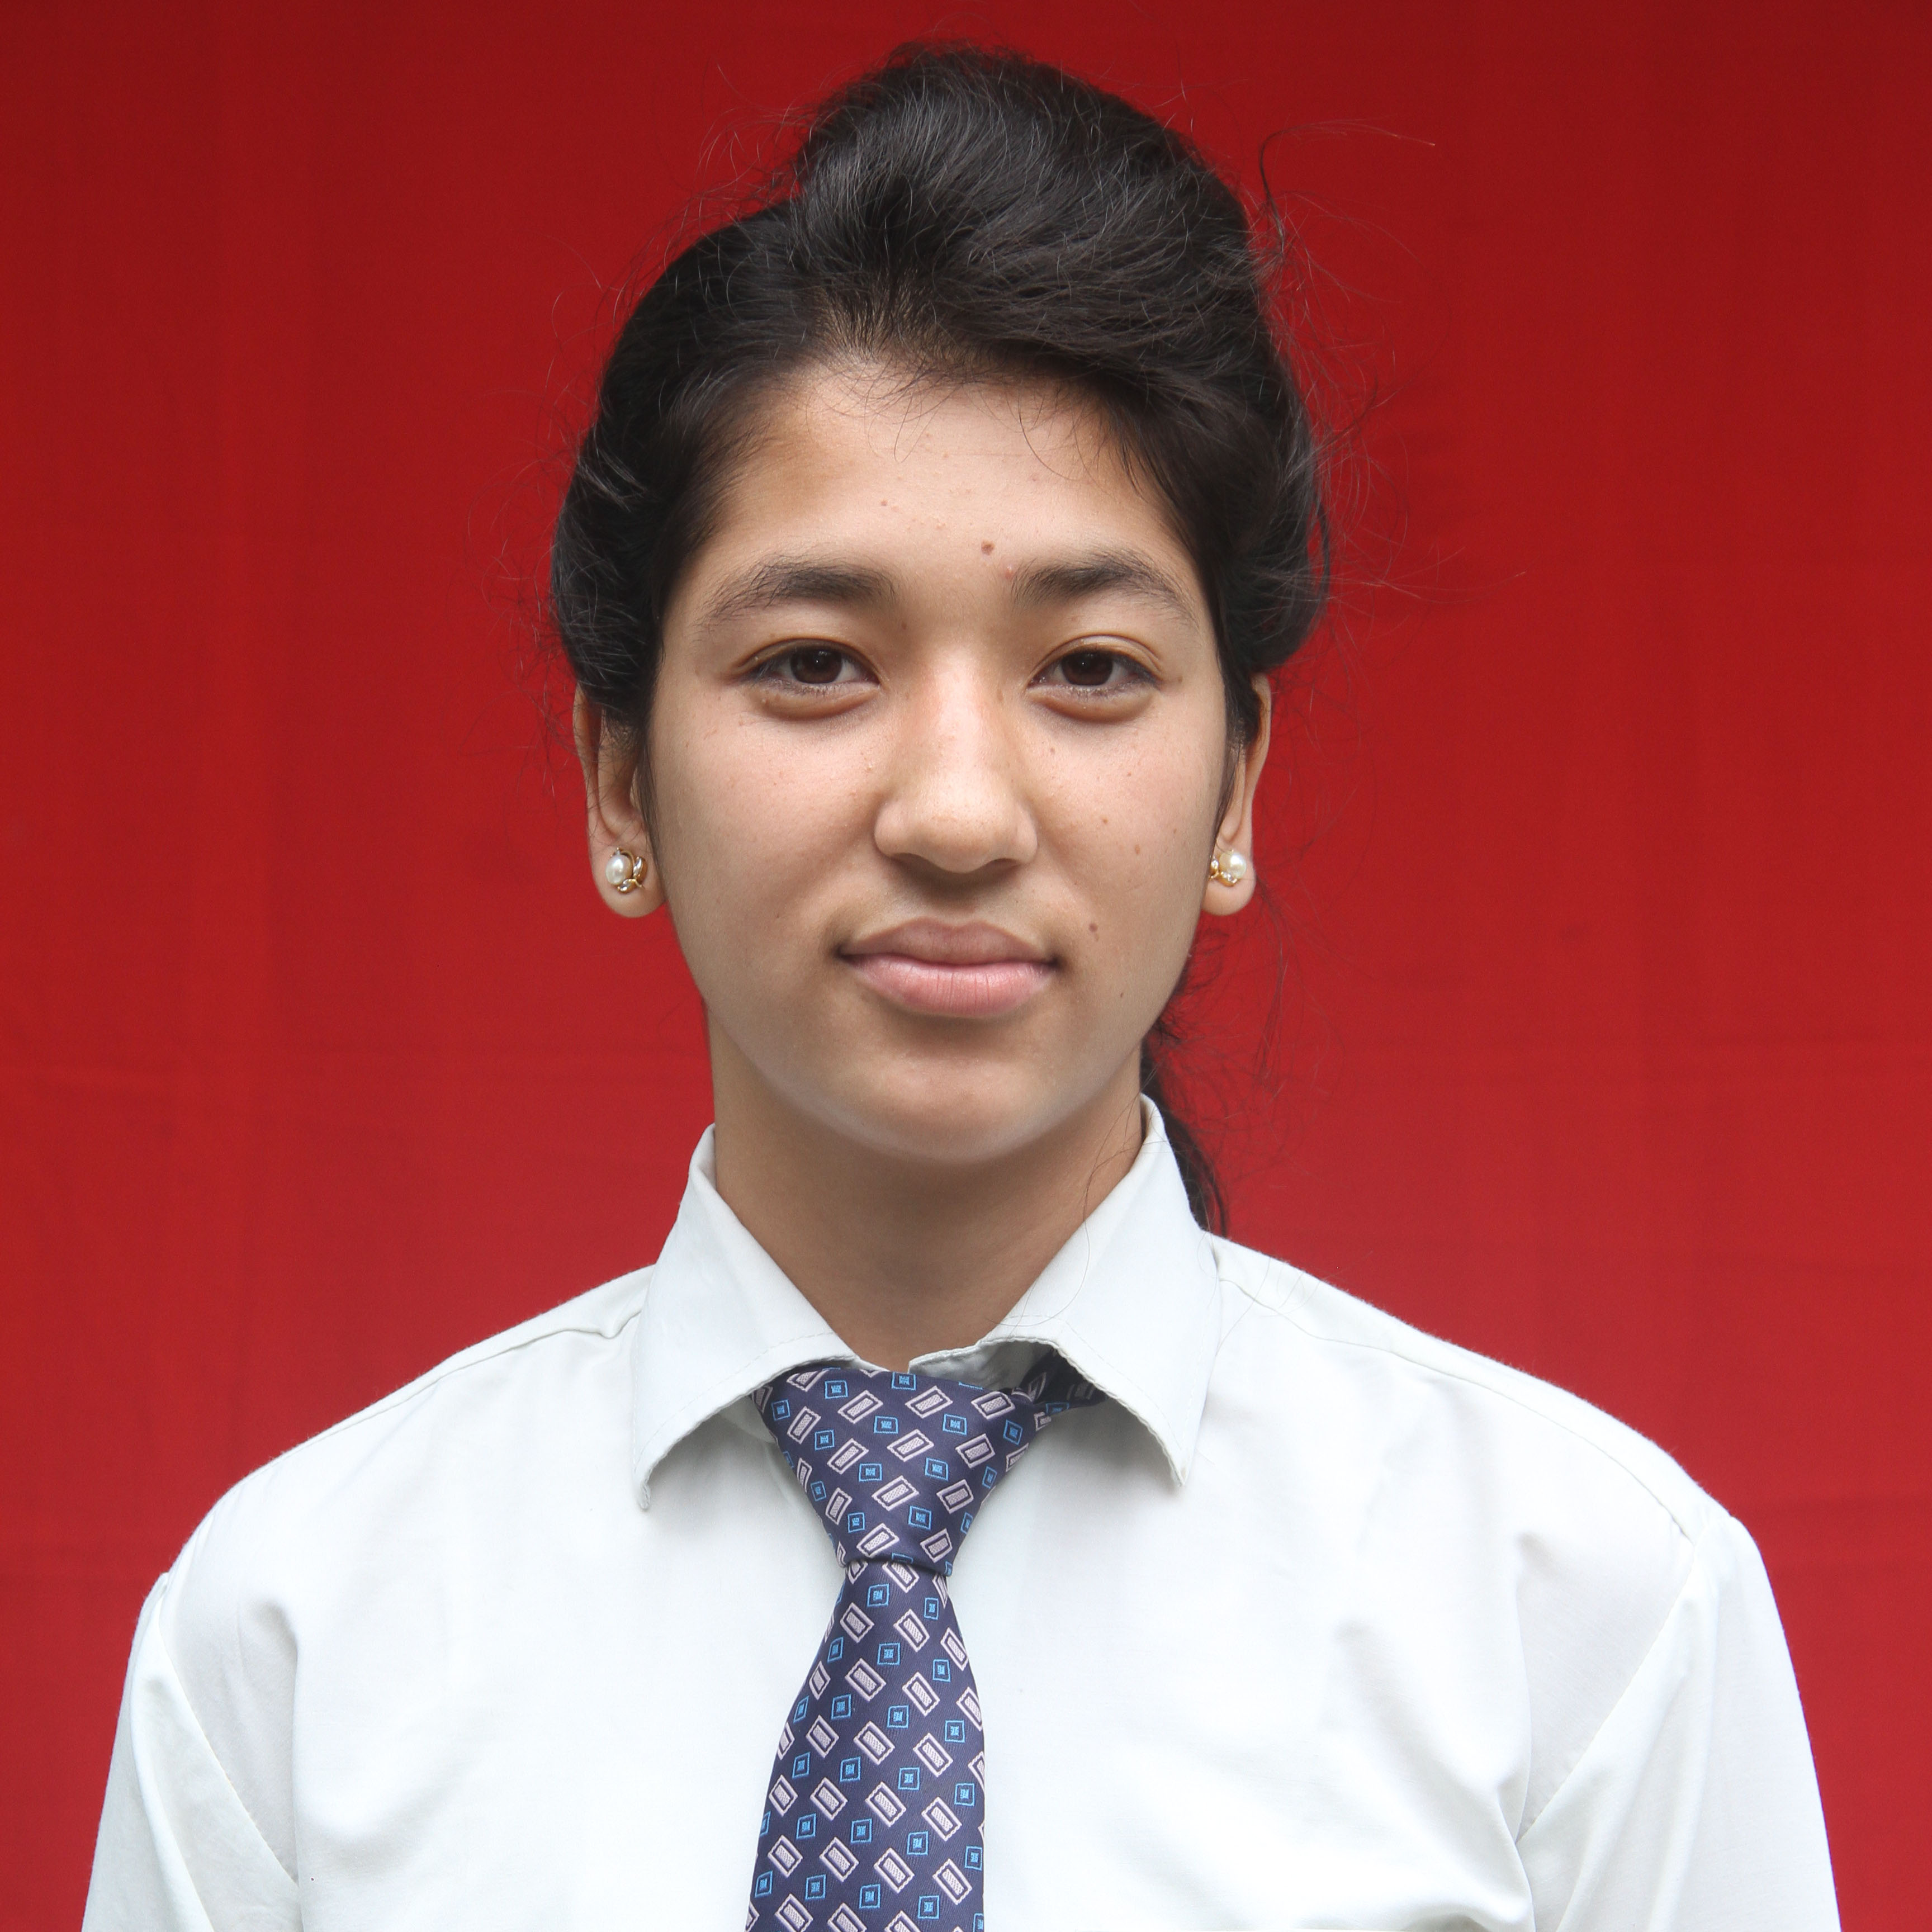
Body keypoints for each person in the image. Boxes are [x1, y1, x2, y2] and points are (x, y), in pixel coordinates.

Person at [82, 43, 1838, 1932]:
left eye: (1089, 670)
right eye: (815, 664)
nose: (956, 810)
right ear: (621, 782)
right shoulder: (297, 1635)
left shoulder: (1582, 1616)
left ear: (1237, 785)